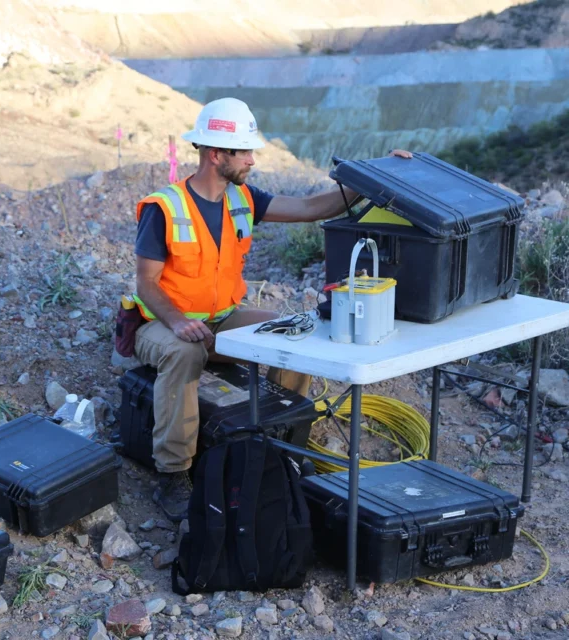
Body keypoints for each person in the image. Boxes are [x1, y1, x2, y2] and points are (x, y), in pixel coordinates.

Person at [132, 97, 412, 521]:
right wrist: (178, 322)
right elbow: (146, 284)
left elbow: (312, 208)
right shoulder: (164, 208)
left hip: (221, 318)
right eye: (243, 152)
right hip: (160, 323)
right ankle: (173, 473)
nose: (251, 160)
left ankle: (282, 443)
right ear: (214, 154)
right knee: (184, 352)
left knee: (298, 333)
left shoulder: (242, 197)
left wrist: (372, 178)